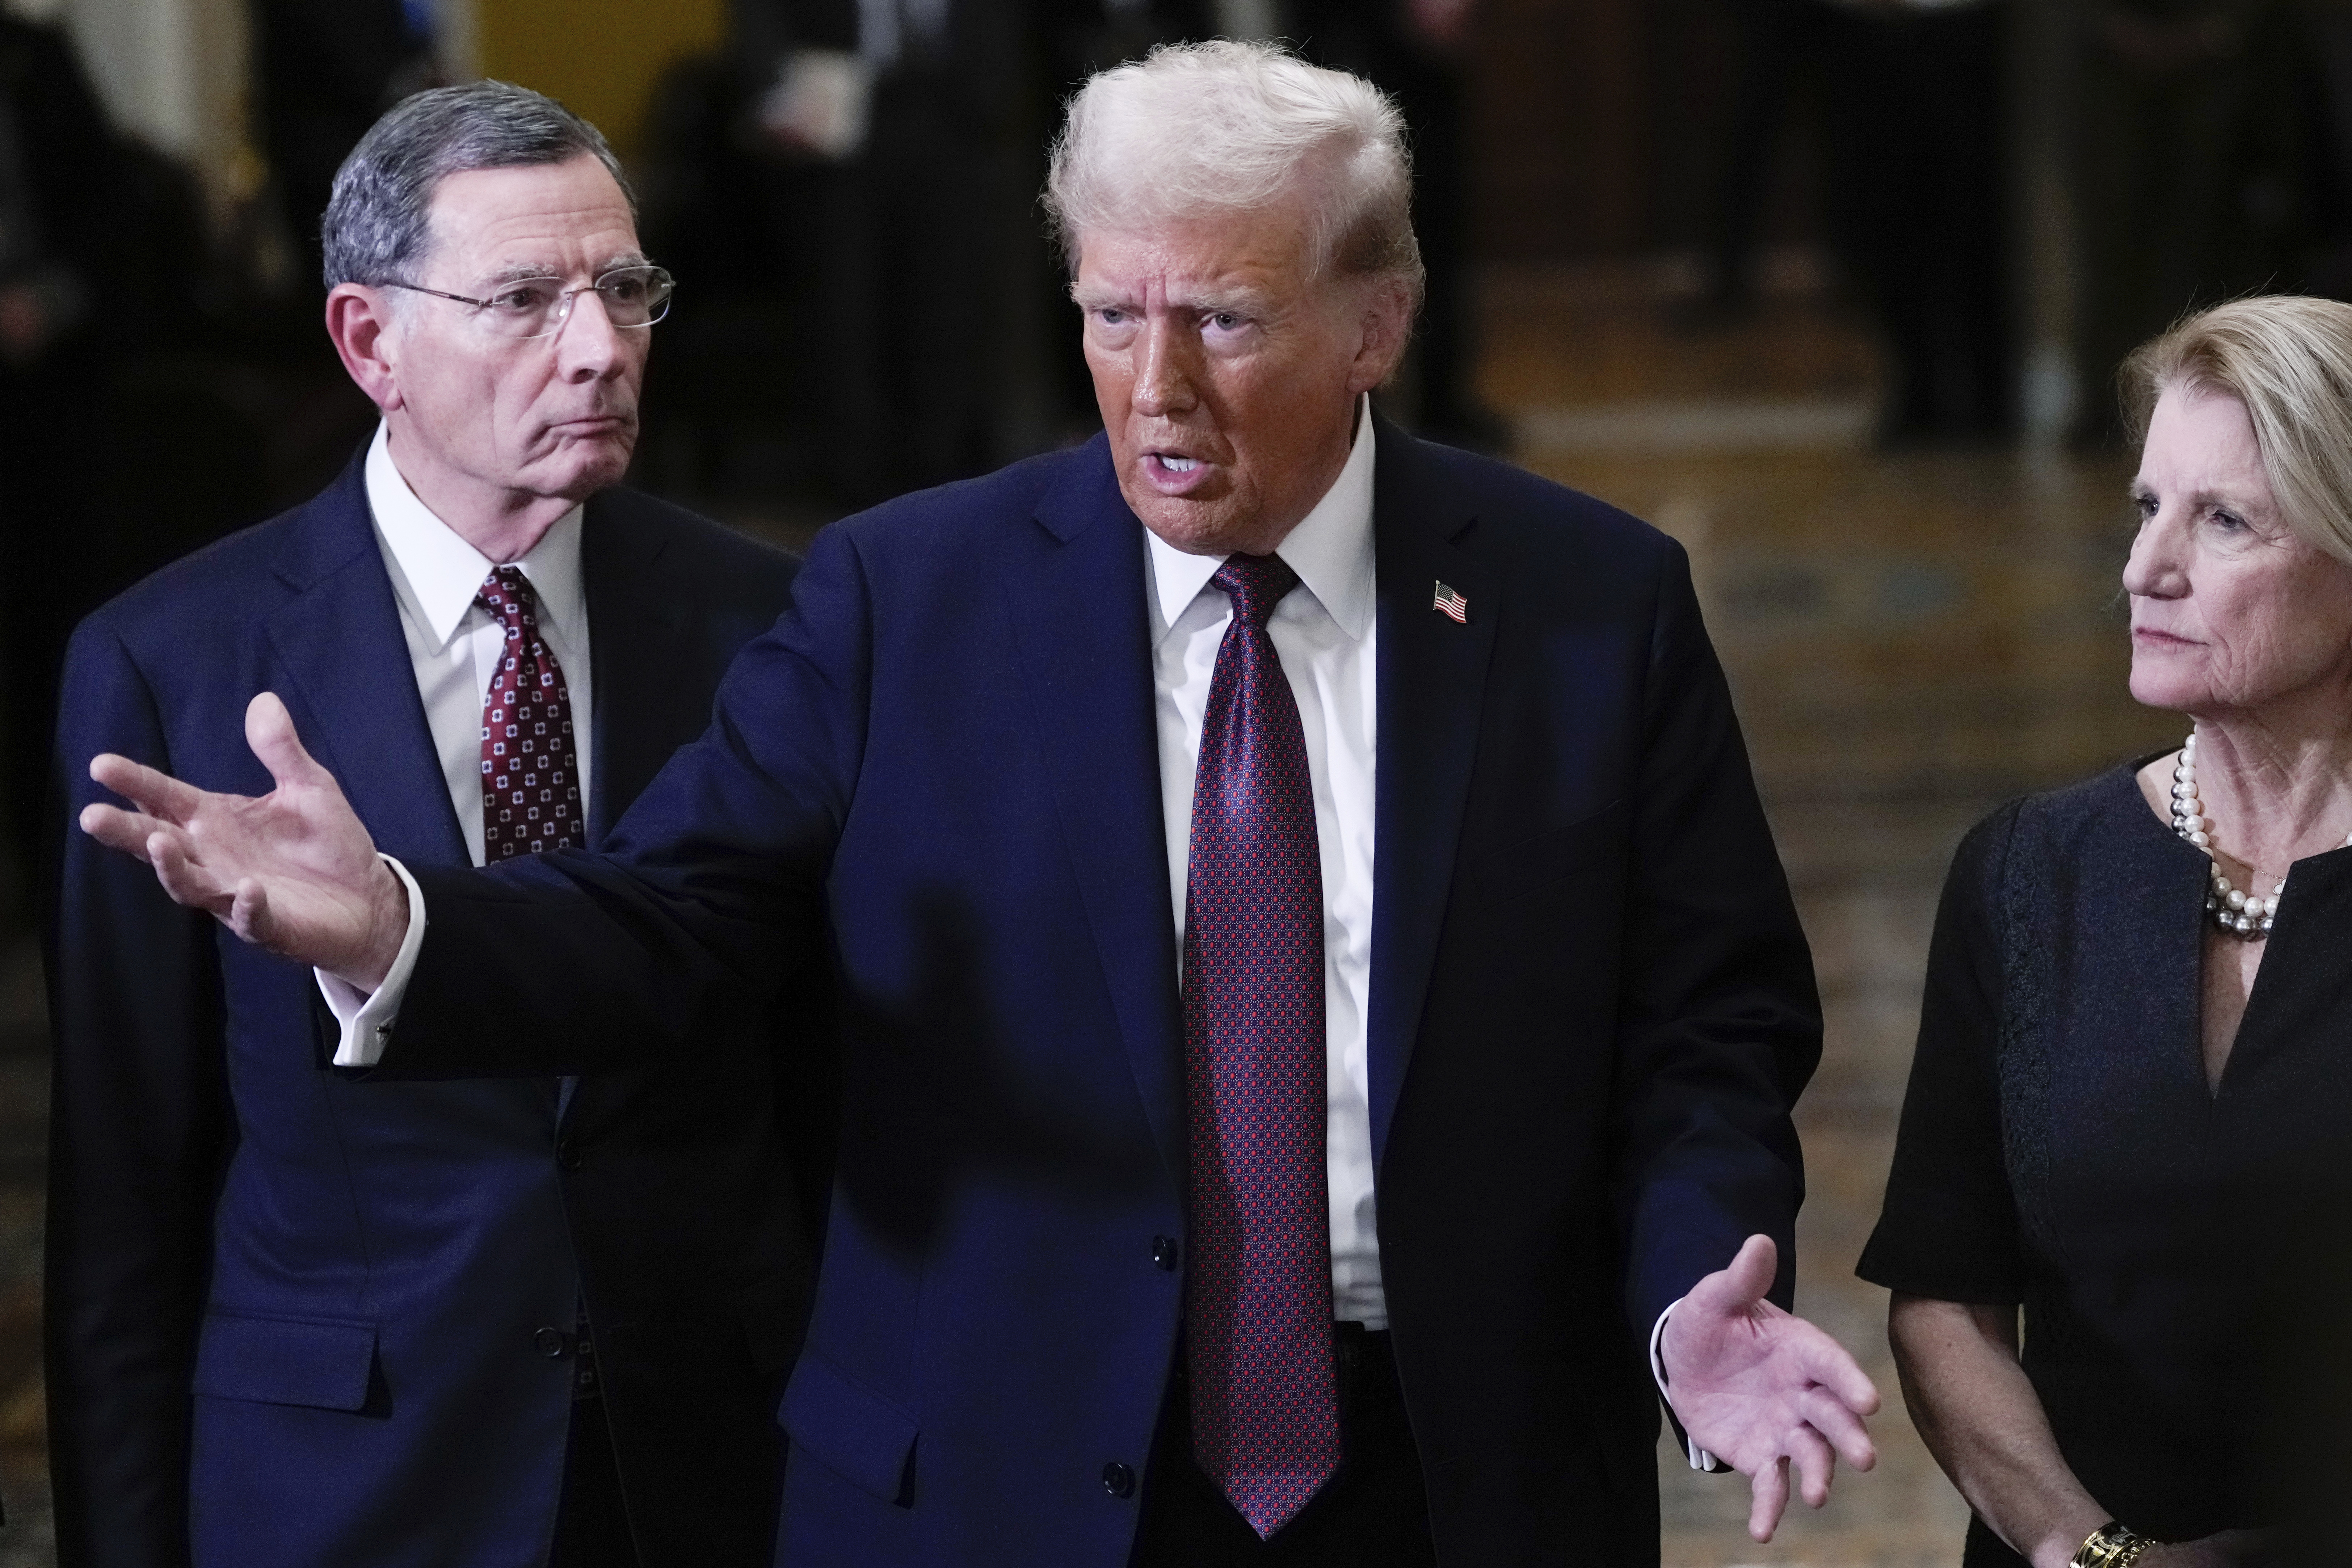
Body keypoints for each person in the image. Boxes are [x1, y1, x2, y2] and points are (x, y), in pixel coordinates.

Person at [79, 43, 1880, 1565]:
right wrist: (401, 924)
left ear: (1377, 323)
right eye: (1110, 314)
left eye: (1227, 320)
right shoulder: (900, 598)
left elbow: (1707, 1021)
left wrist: (1683, 1289)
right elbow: (671, 922)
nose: (1154, 387)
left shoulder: (1588, 602)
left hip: (1455, 1468)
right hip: (1009, 1478)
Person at [45, 81, 827, 1568]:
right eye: (524, 300)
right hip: (346, 1480)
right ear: (368, 342)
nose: (598, 348)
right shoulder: (171, 661)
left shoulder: (770, 626)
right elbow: (125, 1212)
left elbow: (826, 1102)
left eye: (623, 289)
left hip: (712, 1467)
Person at [1856, 294, 2352, 1563]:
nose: (2144, 569)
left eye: (2223, 520)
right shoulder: (2028, 872)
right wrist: (2090, 1553)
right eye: (2146, 508)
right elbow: (1944, 1296)